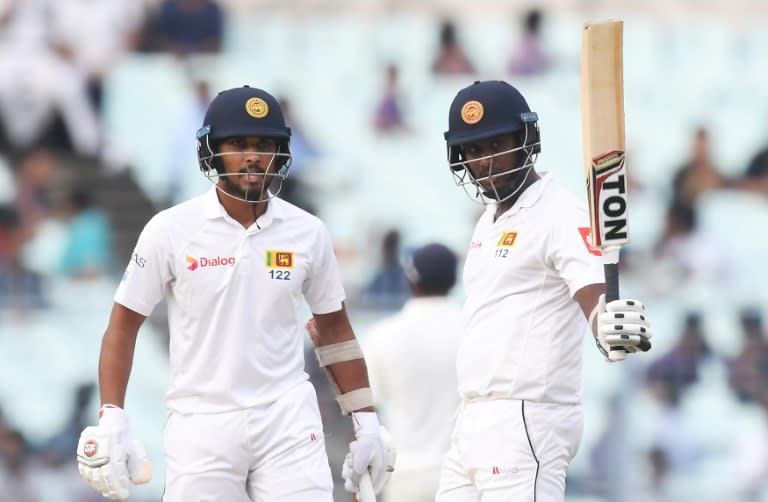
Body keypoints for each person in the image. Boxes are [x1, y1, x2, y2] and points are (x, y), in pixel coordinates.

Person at [75, 86, 395, 501]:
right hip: (201, 421)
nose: (251, 156)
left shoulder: (308, 232)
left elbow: (334, 329)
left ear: (281, 153)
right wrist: (112, 416)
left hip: (288, 420)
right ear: (211, 150)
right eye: (237, 144)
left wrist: (366, 421)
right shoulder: (170, 229)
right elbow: (122, 326)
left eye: (264, 145)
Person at [435, 80, 654, 501]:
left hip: (527, 418)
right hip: (471, 419)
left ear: (525, 140)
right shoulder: (488, 221)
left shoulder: (560, 212)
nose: (486, 162)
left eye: (496, 144)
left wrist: (607, 325)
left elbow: (593, 295)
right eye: (474, 151)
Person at [362, 243, 463, 502]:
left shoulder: (382, 335)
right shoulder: (475, 331)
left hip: (405, 475)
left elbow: (365, 415)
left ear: (410, 280)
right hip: (463, 474)